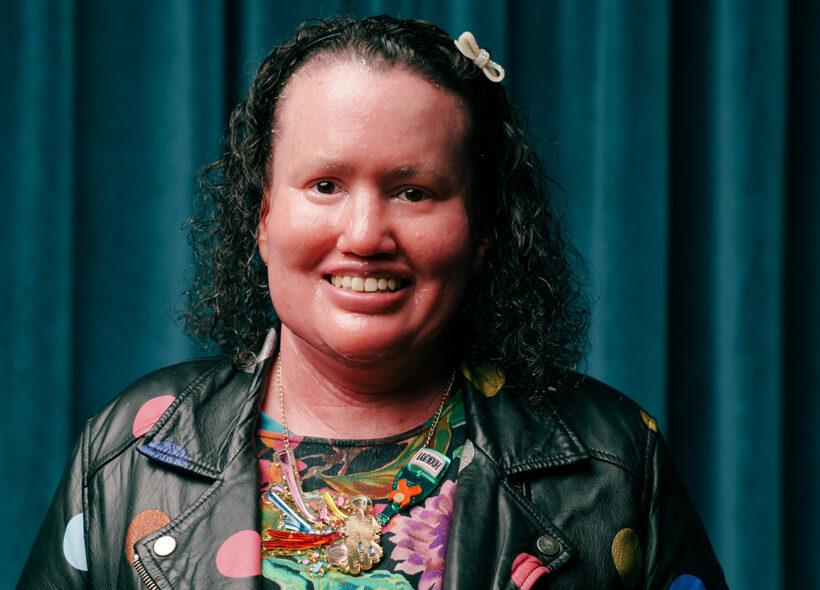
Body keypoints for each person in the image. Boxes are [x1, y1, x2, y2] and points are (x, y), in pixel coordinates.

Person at [17, 14, 726, 590]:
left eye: (414, 191)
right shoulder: (130, 451)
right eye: (325, 185)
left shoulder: (613, 462)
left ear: (481, 231)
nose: (363, 236)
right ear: (263, 215)